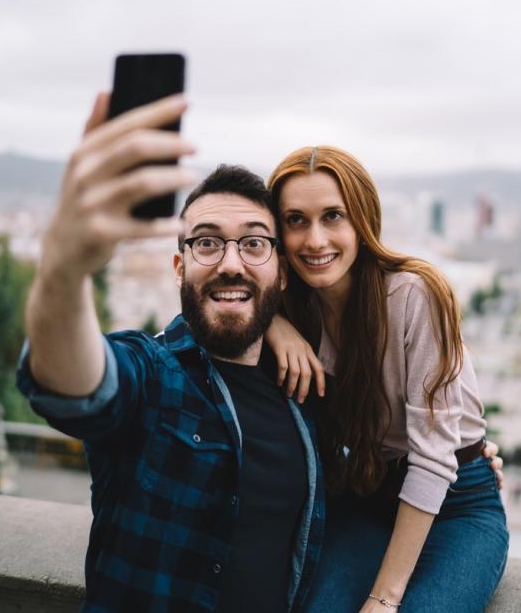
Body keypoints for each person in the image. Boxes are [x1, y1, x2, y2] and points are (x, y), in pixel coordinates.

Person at [16, 92, 325, 613]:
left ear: (282, 270)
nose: (231, 263)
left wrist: (475, 460)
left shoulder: (305, 390)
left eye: (254, 244)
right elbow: (80, 385)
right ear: (180, 266)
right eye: (207, 242)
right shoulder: (155, 375)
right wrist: (64, 269)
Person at [263, 146, 509, 613]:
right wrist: (273, 324)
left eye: (332, 216)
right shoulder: (291, 306)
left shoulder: (413, 293)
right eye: (296, 220)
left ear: (362, 220)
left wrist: (384, 597)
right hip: (367, 495)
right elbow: (200, 320)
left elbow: (435, 460)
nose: (315, 239)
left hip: (457, 506)